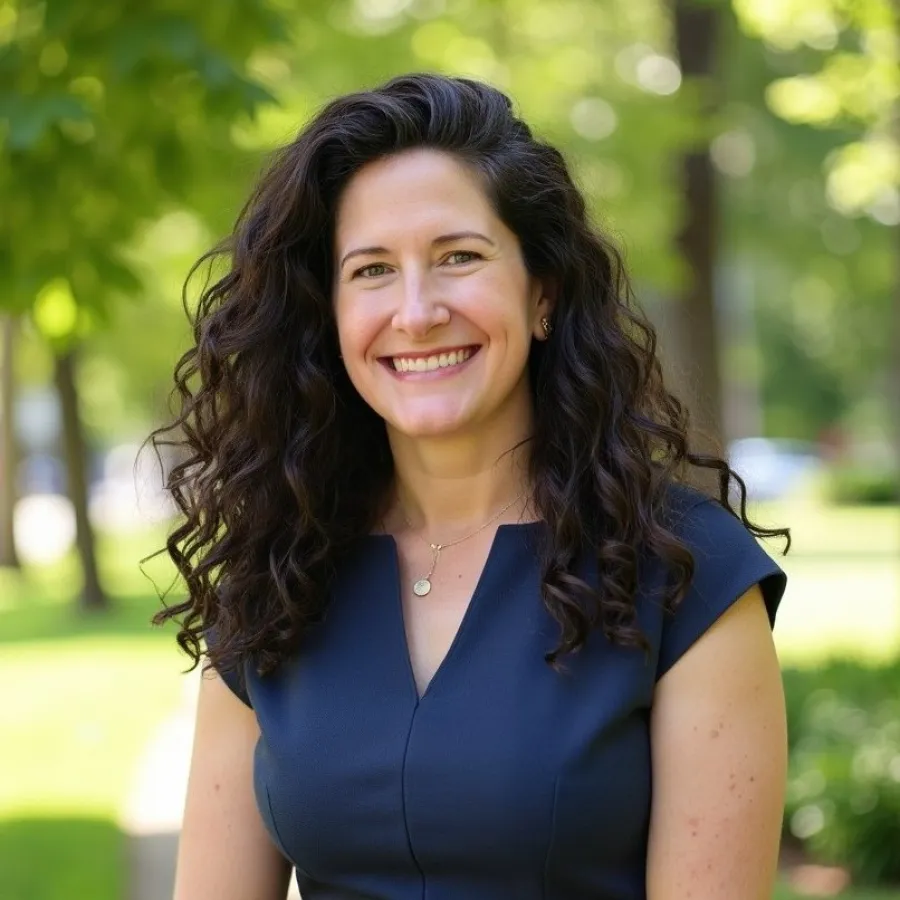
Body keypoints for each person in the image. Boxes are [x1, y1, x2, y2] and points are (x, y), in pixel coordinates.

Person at [147, 72, 790, 900]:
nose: (415, 312)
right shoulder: (276, 572)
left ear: (543, 294)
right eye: (372, 270)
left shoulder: (685, 572)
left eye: (458, 258)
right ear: (330, 313)